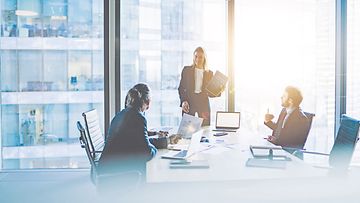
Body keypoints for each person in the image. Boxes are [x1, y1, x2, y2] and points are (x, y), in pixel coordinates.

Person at [98, 83, 167, 180]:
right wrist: (155, 149)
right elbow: (146, 153)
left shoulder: (121, 114)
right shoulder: (138, 118)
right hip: (115, 175)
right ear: (147, 102)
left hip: (106, 170)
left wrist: (165, 142)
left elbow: (140, 144)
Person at [178, 47, 222, 126]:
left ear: (204, 58)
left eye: (200, 57)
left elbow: (211, 94)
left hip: (203, 103)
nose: (198, 59)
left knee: (205, 128)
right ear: (193, 57)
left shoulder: (209, 73)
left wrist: (220, 90)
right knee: (187, 129)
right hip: (189, 101)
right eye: (196, 56)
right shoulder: (186, 70)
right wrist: (184, 101)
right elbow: (181, 88)